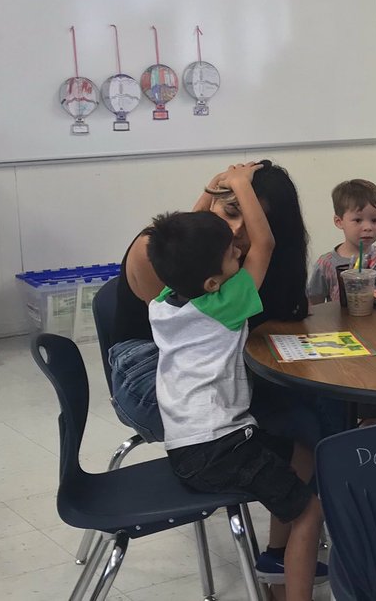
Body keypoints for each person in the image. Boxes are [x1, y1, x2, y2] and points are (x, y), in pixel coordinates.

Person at [109, 160, 328, 584]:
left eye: (251, 218)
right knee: (303, 478)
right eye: (229, 215)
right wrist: (236, 185)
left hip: (189, 436)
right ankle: (291, 548)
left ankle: (283, 553)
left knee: (300, 431)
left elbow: (187, 242)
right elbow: (261, 244)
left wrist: (220, 188)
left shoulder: (169, 299)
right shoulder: (227, 302)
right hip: (217, 438)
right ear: (213, 277)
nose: (237, 236)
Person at [307, 179, 376, 305]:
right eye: (357, 220)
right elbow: (314, 305)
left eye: (375, 220)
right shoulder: (326, 264)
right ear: (339, 221)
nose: (368, 227)